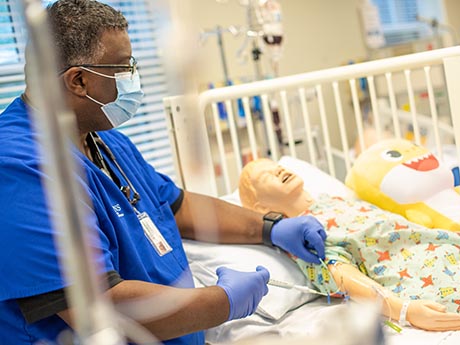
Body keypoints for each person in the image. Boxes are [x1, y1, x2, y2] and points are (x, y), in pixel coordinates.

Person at [0, 1, 327, 344]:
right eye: (125, 68)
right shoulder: (18, 171)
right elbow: (96, 308)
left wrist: (270, 228)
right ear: (79, 81)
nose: (134, 78)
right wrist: (221, 302)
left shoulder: (107, 141)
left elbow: (176, 205)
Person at [239, 158, 460, 332]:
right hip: (430, 273)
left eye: (277, 166)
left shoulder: (335, 200)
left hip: (445, 242)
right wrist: (404, 310)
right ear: (260, 209)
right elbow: (339, 276)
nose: (278, 170)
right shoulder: (304, 236)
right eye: (266, 175)